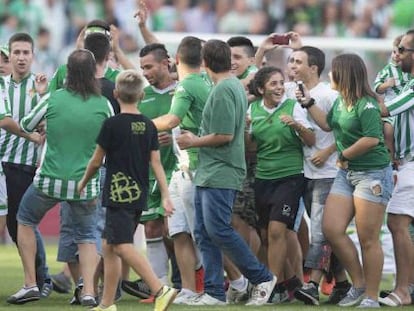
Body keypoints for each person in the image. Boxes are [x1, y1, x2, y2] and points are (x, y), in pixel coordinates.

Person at [7, 49, 114, 306]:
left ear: (67, 72)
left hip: (49, 179)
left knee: (25, 219)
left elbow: (27, 124)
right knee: (87, 235)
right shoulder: (103, 104)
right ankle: (88, 291)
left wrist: (50, 121)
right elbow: (111, 139)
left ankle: (31, 283)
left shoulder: (54, 99)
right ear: (93, 73)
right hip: (84, 183)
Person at [176, 39, 277, 306]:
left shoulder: (223, 90)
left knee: (218, 229)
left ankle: (262, 276)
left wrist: (192, 141)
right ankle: (214, 292)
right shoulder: (229, 85)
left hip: (221, 169)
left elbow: (224, 135)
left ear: (204, 63)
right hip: (210, 170)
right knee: (203, 231)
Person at [78, 69, 177, 311]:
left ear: (115, 94)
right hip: (139, 194)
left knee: (121, 246)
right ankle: (107, 304)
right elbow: (156, 164)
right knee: (109, 247)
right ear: (142, 95)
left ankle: (159, 289)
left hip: (117, 193)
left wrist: (82, 182)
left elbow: (96, 160)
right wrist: (165, 195)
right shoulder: (149, 126)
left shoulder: (111, 124)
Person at [299, 53, 393, 308]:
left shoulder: (367, 105)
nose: (329, 74)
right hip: (347, 174)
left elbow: (373, 139)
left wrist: (344, 154)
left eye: (333, 71)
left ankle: (371, 296)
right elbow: (328, 125)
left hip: (371, 174)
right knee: (331, 228)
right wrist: (309, 104)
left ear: (344, 74)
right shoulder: (341, 102)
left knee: (368, 238)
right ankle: (359, 284)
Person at [286, 46, 351, 306]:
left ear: (313, 67)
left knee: (321, 231)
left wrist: (327, 151)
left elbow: (346, 130)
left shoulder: (329, 95)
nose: (291, 65)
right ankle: (344, 283)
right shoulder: (292, 91)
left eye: (298, 61)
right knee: (327, 234)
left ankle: (311, 285)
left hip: (328, 172)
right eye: (290, 60)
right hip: (304, 173)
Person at [246, 66, 315, 301]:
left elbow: (311, 139)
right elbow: (250, 148)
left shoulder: (293, 106)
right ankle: (287, 285)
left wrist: (297, 125)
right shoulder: (252, 110)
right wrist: (246, 129)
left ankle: (270, 288)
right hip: (263, 178)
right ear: (261, 88)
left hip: (291, 176)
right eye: (273, 84)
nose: (278, 88)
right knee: (265, 236)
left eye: (280, 83)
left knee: (278, 231)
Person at [151, 36, 209, 304]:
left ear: (176, 59)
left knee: (201, 233)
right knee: (178, 231)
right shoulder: (205, 82)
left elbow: (172, 119)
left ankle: (234, 282)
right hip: (182, 166)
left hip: (195, 165)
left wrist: (136, 124)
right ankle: (188, 289)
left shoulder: (187, 86)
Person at [1, 32, 52, 299]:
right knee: (16, 224)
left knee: (21, 223)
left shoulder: (42, 87)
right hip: (1, 162)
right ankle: (38, 278)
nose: (21, 57)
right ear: (10, 55)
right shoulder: (1, 85)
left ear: (33, 56)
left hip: (23, 164)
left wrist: (42, 126)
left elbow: (49, 123)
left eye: (25, 53)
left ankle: (41, 278)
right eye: (16, 53)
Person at [378, 29, 414, 307]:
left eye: (402, 50)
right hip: (405, 161)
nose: (396, 54)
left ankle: (403, 290)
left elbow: (386, 110)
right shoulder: (402, 80)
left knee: (397, 222)